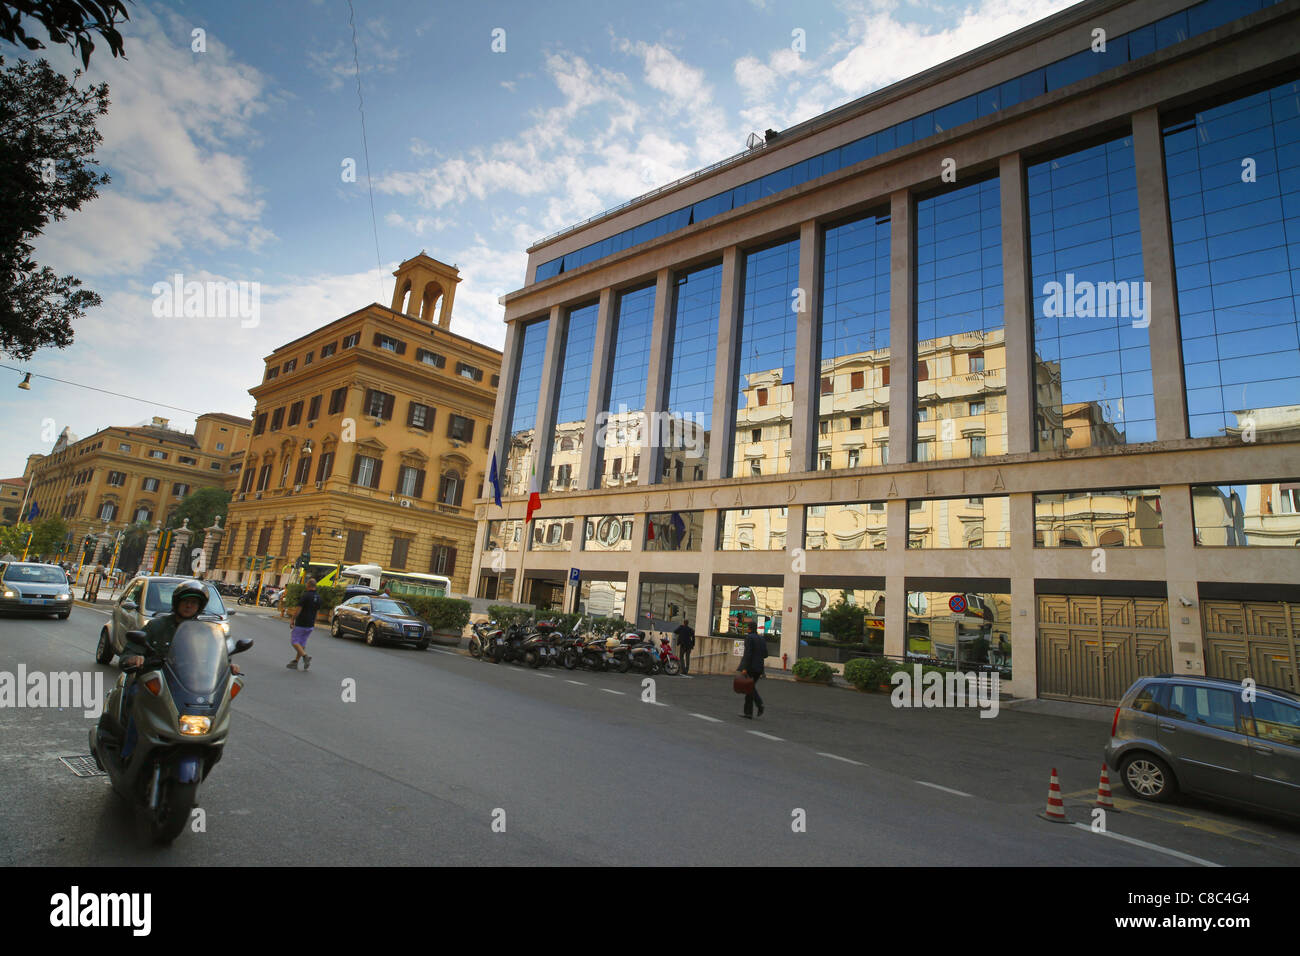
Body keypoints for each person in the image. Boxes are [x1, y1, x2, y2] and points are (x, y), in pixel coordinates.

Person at [115, 580, 239, 756]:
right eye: (186, 601)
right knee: (137, 701)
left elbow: (215, 657)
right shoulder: (156, 626)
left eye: (194, 602)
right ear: (177, 602)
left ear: (200, 606)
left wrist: (228, 666)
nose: (189, 605)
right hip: (156, 685)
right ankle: (128, 753)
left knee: (211, 713)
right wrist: (134, 658)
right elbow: (130, 652)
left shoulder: (205, 631)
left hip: (186, 688)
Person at [286, 577, 321, 670]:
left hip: (301, 623)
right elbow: (317, 612)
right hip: (310, 624)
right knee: (302, 643)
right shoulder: (318, 597)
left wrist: (292, 619)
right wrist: (314, 622)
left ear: (308, 585)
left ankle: (305, 657)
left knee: (294, 641)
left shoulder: (305, 596)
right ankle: (296, 662)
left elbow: (298, 610)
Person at [737, 628, 766, 719]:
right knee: (749, 688)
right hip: (759, 668)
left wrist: (744, 668)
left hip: (750, 667)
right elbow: (765, 654)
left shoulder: (749, 638)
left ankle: (759, 704)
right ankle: (748, 713)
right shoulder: (761, 639)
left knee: (749, 687)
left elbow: (748, 653)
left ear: (749, 629)